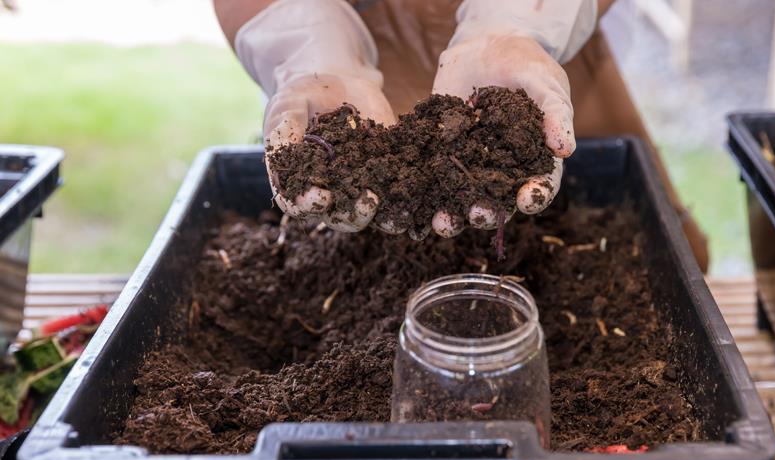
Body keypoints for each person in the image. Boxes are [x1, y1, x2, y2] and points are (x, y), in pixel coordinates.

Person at [214, 0, 710, 271]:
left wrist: (513, 25)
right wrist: (309, 51)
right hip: (349, 64)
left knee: (659, 256)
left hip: (537, 56)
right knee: (374, 254)